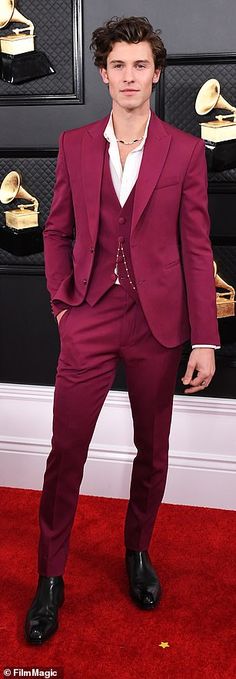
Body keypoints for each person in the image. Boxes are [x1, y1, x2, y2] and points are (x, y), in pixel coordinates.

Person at [25, 16, 220, 644]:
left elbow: (196, 250)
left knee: (153, 451)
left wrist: (206, 339)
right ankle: (49, 579)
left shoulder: (186, 151)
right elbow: (55, 231)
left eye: (141, 65)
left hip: (158, 323)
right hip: (89, 315)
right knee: (66, 454)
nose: (129, 76)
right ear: (103, 73)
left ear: (155, 73)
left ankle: (138, 553)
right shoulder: (74, 143)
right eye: (118, 65)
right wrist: (63, 305)